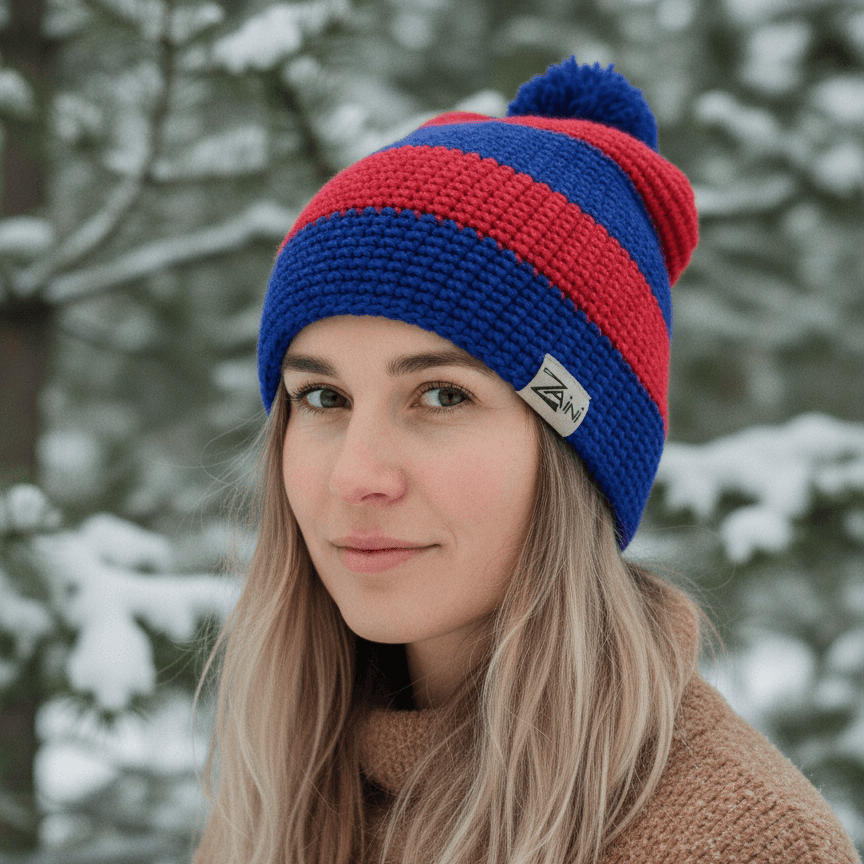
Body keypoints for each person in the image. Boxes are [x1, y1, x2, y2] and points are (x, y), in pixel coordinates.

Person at [193, 58, 860, 864]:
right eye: (324, 400)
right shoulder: (281, 792)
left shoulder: (739, 841)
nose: (355, 475)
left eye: (441, 396)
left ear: (577, 450)